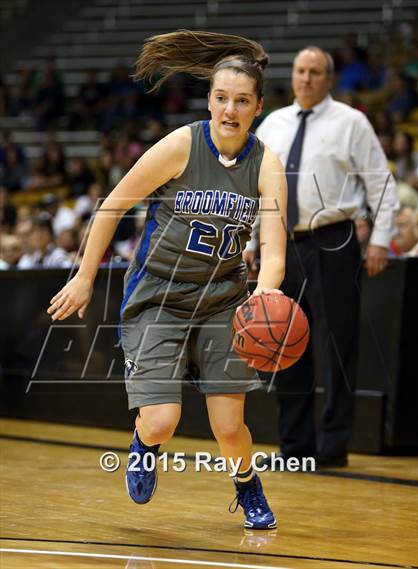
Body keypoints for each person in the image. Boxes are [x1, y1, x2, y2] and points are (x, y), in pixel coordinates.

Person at [47, 30, 287, 530]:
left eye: (242, 101)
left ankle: (247, 486)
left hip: (223, 299)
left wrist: (266, 292)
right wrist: (86, 277)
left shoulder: (267, 163)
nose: (229, 109)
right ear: (209, 101)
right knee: (161, 420)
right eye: (221, 98)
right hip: (159, 295)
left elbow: (274, 245)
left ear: (257, 107)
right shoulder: (182, 144)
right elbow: (112, 205)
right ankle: (143, 445)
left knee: (229, 428)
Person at [254, 46, 398, 468]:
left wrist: (379, 240)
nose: (307, 79)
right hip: (282, 243)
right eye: (300, 70)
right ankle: (294, 446)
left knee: (336, 346)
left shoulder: (351, 122)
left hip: (334, 238)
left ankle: (332, 446)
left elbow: (380, 185)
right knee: (284, 342)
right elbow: (256, 188)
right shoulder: (273, 123)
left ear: (329, 78)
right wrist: (250, 244)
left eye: (316, 72)